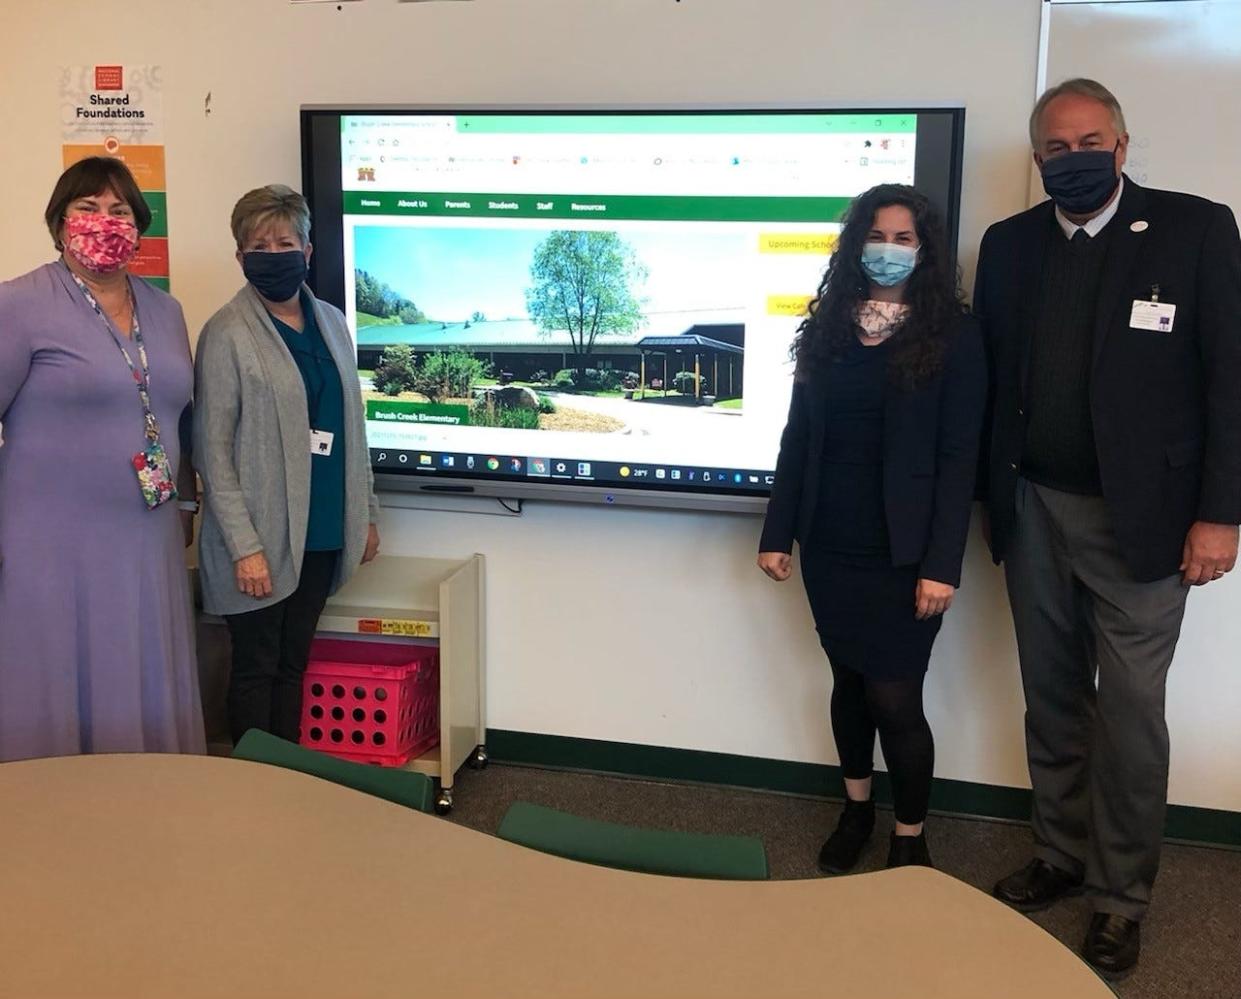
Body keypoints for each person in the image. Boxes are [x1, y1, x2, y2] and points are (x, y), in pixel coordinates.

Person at [975, 79, 1241, 979]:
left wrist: (1220, 513)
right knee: (1050, 697)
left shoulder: (1195, 228)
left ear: (1122, 146)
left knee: (1129, 716)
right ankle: (1059, 852)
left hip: (1148, 524)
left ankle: (1119, 896)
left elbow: (1228, 382)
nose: (1073, 157)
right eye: (1055, 146)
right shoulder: (1007, 246)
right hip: (1032, 506)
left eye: (1090, 140)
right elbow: (989, 381)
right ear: (1038, 157)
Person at [758, 184, 986, 873]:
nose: (887, 250)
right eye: (877, 235)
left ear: (926, 250)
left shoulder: (956, 336)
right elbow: (797, 438)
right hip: (829, 543)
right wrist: (777, 531)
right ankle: (856, 806)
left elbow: (958, 459)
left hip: (905, 553)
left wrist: (941, 564)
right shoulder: (828, 324)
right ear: (856, 242)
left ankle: (909, 834)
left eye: (904, 238)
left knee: (895, 696)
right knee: (848, 683)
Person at [0, 157, 205, 761]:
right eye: (87, 208)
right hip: (48, 543)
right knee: (56, 677)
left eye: (119, 210)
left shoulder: (166, 313)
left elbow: (180, 415)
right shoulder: (18, 304)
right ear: (60, 221)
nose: (104, 221)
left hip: (147, 535)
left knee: (141, 666)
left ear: (138, 225)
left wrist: (189, 501)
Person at [194, 185, 380, 746]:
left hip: (321, 527)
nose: (273, 254)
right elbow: (211, 449)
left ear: (307, 250)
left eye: (284, 242)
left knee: (294, 666)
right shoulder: (226, 332)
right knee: (257, 668)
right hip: (259, 533)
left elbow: (354, 428)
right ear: (240, 256)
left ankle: (287, 779)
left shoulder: (332, 322)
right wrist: (245, 547)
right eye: (259, 245)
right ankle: (252, 793)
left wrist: (365, 513)